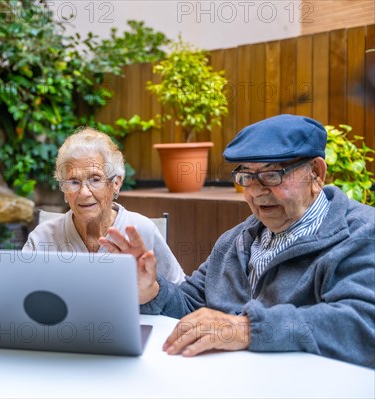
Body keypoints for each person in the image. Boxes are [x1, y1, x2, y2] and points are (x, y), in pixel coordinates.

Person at [103, 114, 375, 368]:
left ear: (315, 173)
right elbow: (191, 305)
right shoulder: (236, 240)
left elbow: (362, 324)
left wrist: (246, 328)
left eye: (271, 175)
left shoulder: (361, 233)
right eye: (246, 177)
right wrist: (151, 290)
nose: (256, 192)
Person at [24, 127, 186, 285]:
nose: (84, 192)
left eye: (95, 179)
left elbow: (181, 295)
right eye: (74, 182)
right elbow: (20, 293)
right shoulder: (42, 238)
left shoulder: (143, 230)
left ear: (116, 183)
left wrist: (152, 289)